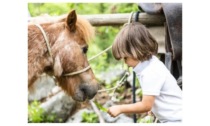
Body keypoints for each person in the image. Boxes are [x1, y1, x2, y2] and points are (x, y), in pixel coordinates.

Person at [107, 22, 182, 123]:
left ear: (136, 51)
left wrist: (120, 109)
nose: (125, 62)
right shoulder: (151, 64)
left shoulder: (150, 72)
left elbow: (146, 105)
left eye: (125, 58)